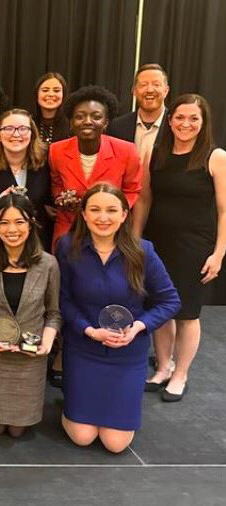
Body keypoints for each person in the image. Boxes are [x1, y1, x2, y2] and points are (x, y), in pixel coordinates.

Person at [56, 183, 180, 453]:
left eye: (112, 210)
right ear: (84, 215)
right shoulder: (67, 247)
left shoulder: (142, 251)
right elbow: (62, 300)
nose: (103, 217)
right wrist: (88, 331)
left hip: (128, 355)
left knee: (115, 444)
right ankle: (72, 404)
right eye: (95, 210)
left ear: (124, 214)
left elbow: (171, 301)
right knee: (83, 436)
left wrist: (138, 327)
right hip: (84, 349)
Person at [140, 94, 225, 402]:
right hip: (158, 242)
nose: (185, 124)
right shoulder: (154, 151)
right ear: (170, 119)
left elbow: (224, 209)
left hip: (195, 247)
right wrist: (136, 239)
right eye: (179, 117)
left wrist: (219, 253)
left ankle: (181, 373)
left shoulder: (215, 157)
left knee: (187, 313)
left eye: (193, 119)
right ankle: (163, 366)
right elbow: (145, 199)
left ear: (203, 123)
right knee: (160, 309)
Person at [0, 194, 61, 437]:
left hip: (29, 359)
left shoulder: (48, 264)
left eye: (19, 222)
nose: (12, 229)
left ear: (31, 224)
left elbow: (54, 313)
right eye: (4, 223)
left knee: (17, 431)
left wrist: (47, 344)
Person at [50, 85, 142, 250]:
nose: (87, 121)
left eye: (96, 116)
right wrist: (62, 198)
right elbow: (56, 183)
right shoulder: (56, 151)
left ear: (106, 122)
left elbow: (132, 189)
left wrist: (111, 209)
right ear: (71, 122)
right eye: (80, 116)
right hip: (69, 227)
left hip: (109, 227)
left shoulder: (127, 151)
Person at [0, 109, 53, 253]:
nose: (16, 134)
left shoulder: (44, 165)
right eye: (9, 129)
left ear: (32, 134)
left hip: (37, 247)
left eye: (23, 129)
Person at [108, 63, 171, 165]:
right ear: (134, 91)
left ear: (166, 90)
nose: (150, 90)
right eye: (143, 85)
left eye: (156, 84)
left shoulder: (176, 126)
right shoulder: (117, 127)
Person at [33, 72, 70, 145]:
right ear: (37, 94)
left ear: (64, 95)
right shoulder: (28, 123)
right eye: (45, 90)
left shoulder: (72, 125)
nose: (50, 94)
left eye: (56, 91)